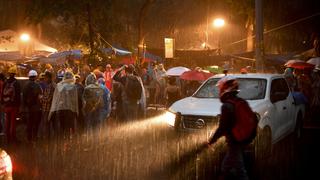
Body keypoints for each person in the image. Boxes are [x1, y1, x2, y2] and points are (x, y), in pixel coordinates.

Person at [207, 76, 251, 180]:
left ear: (225, 89)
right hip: (242, 138)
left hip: (234, 140)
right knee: (228, 165)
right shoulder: (240, 101)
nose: (219, 90)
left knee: (239, 169)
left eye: (220, 88)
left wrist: (212, 140)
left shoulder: (227, 105)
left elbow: (223, 127)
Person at [49, 71, 78, 141]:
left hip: (60, 109)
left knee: (62, 127)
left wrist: (53, 110)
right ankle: (67, 143)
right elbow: (75, 100)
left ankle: (62, 143)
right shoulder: (73, 87)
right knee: (68, 127)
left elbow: (55, 99)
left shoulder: (59, 85)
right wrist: (76, 111)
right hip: (70, 110)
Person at [23, 70, 43, 142]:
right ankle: (34, 137)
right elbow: (41, 97)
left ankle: (29, 138)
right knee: (35, 123)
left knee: (29, 123)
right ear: (35, 76)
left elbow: (23, 97)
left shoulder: (25, 85)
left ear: (29, 76)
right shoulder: (37, 85)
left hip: (28, 108)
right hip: (36, 108)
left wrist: (24, 106)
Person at [2, 66, 20, 143]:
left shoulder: (5, 82)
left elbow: (2, 94)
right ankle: (13, 138)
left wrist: (3, 103)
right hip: (14, 106)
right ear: (15, 74)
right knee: (13, 123)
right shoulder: (16, 83)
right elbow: (18, 96)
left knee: (7, 122)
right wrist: (19, 106)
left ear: (9, 73)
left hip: (6, 105)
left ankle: (7, 138)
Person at [39, 71, 56, 140]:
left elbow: (48, 99)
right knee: (50, 125)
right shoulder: (53, 85)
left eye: (45, 78)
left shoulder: (50, 86)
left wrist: (41, 97)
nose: (44, 80)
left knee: (46, 124)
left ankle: (47, 140)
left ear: (49, 78)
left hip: (47, 109)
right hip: (51, 108)